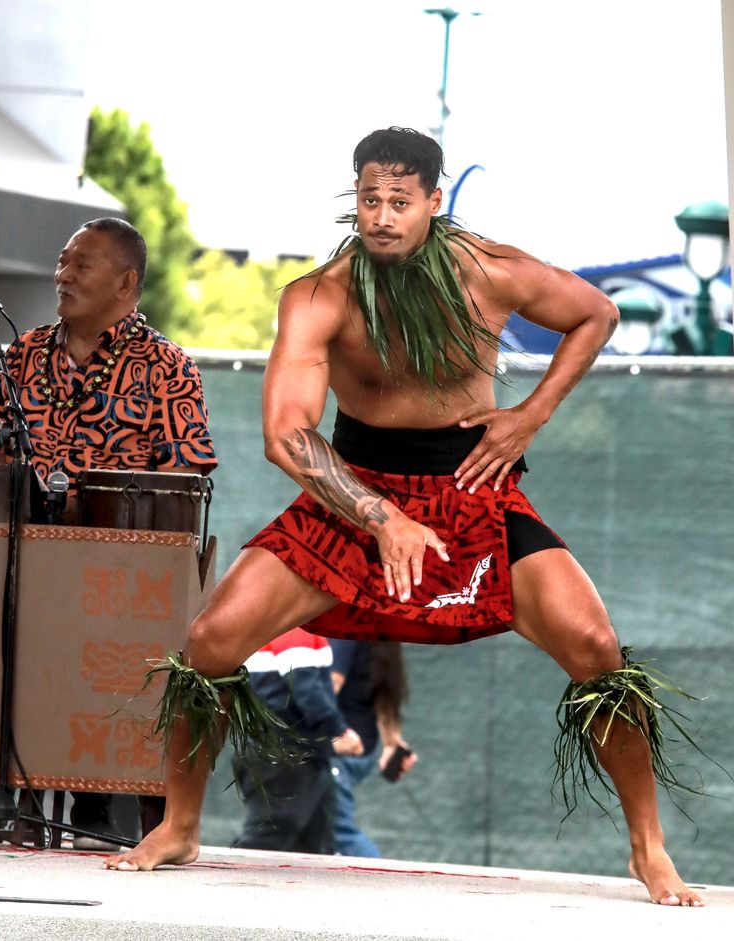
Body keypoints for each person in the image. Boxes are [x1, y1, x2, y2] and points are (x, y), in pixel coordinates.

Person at [104, 126, 702, 908]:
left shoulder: (489, 270)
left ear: (432, 201)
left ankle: (648, 847)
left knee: (595, 645)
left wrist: (529, 415)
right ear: (353, 198)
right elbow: (287, 433)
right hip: (354, 490)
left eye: (399, 201)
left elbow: (595, 313)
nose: (382, 216)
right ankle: (181, 824)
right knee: (211, 639)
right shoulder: (322, 294)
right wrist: (378, 514)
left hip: (475, 487)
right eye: (369, 199)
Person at [0, 217, 217, 845]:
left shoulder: (169, 368)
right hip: (18, 556)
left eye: (81, 264)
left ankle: (102, 800)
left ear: (126, 281)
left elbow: (183, 481)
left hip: (112, 574)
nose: (62, 274)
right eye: (62, 261)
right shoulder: (26, 352)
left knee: (112, 638)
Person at [233, 627, 362, 855]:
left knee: (316, 842)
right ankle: (226, 885)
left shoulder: (281, 630)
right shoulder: (296, 630)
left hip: (296, 752)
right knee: (269, 836)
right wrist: (338, 730)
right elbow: (305, 688)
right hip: (285, 753)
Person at [329, 640, 416, 858]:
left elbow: (332, 683)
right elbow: (384, 695)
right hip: (359, 752)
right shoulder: (381, 637)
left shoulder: (346, 634)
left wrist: (309, 731)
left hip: (339, 752)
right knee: (308, 824)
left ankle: (379, 878)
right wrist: (392, 743)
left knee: (337, 829)